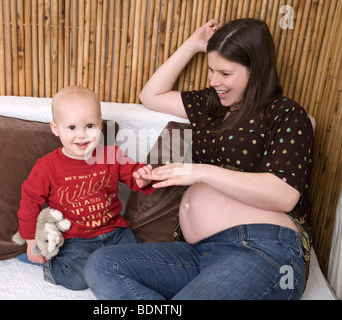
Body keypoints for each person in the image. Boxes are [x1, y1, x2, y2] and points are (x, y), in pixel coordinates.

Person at [84, 18, 314, 300]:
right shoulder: (211, 106)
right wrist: (193, 45)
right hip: (199, 253)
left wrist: (201, 172)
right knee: (103, 264)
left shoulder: (285, 113)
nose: (213, 81)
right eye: (210, 70)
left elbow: (284, 195)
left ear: (257, 71)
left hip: (262, 248)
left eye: (225, 73)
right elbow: (150, 95)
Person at [16, 85, 154, 290]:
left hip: (116, 231)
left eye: (90, 125)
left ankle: (106, 267)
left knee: (140, 265)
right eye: (72, 128)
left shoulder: (110, 155)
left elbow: (133, 171)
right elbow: (30, 201)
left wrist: (141, 176)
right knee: (77, 280)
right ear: (55, 128)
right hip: (75, 239)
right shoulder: (47, 167)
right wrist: (30, 240)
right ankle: (55, 265)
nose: (82, 135)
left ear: (100, 125)